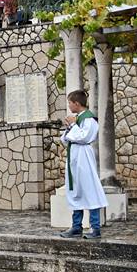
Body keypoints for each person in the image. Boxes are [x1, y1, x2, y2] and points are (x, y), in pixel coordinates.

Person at [58, 90, 108, 240]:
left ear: (77, 103)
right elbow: (65, 139)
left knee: (89, 189)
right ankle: (76, 227)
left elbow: (84, 137)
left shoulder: (89, 119)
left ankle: (95, 228)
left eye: (70, 103)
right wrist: (69, 127)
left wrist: (73, 125)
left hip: (83, 156)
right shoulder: (78, 119)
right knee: (76, 190)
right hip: (74, 157)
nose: (69, 106)